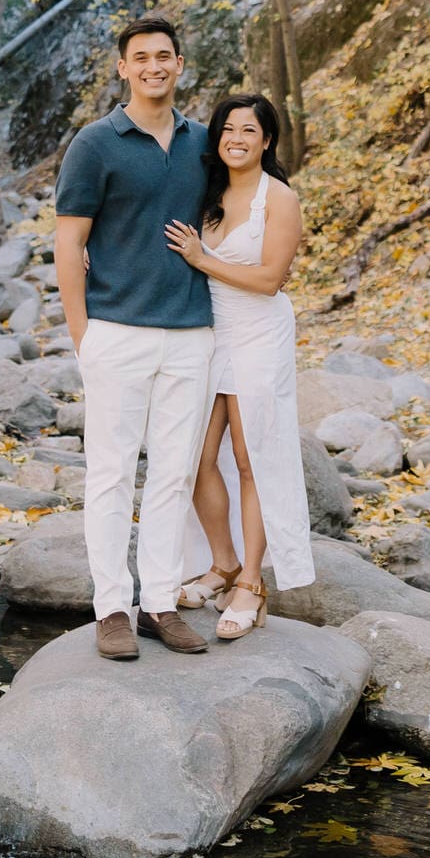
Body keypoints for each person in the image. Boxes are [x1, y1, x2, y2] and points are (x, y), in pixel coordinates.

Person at [54, 17, 217, 662]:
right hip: (115, 331)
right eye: (141, 57)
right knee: (112, 474)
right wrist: (81, 333)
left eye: (165, 57)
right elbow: (69, 242)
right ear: (122, 68)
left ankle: (161, 604)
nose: (154, 66)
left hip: (189, 334)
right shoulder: (94, 144)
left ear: (180, 65)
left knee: (173, 474)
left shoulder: (205, 143)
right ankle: (112, 608)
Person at [163, 92, 311, 640]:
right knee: (195, 456)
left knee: (252, 459)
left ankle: (251, 582)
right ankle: (221, 563)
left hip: (258, 333)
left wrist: (205, 258)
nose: (236, 139)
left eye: (248, 130)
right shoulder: (208, 194)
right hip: (207, 333)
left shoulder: (280, 199)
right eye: (227, 129)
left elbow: (271, 279)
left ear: (266, 140)